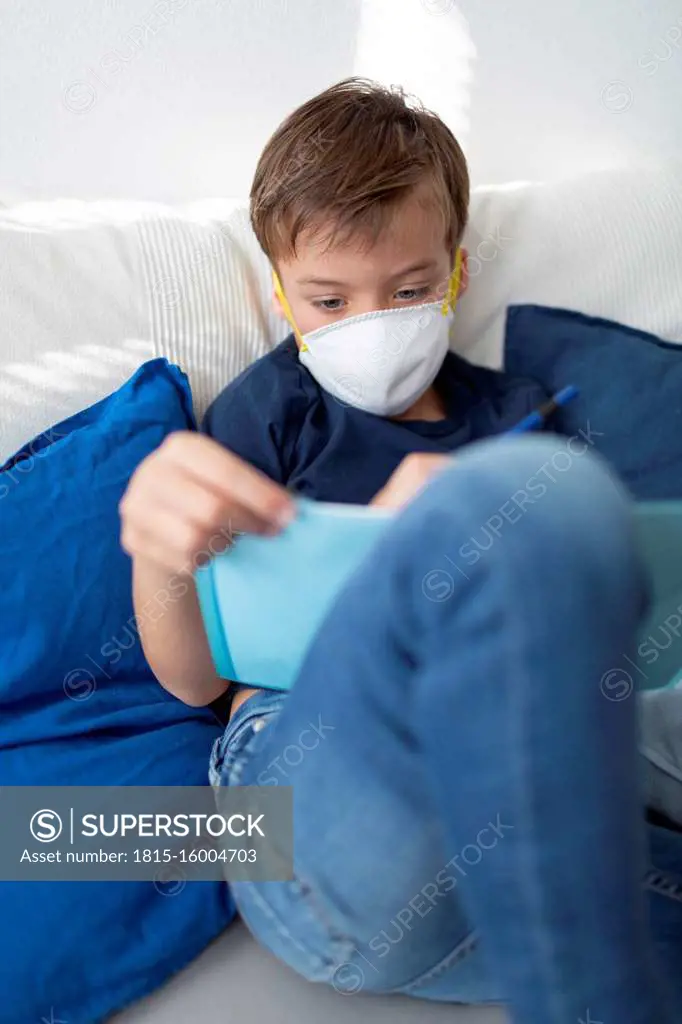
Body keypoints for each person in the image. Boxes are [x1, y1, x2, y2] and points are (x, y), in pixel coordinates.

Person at [119, 78, 682, 1024]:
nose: (370, 326)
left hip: (535, 815)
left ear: (457, 274)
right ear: (282, 297)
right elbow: (191, 682)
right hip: (314, 785)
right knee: (507, 509)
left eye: (409, 290)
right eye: (330, 300)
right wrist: (160, 553)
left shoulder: (518, 414)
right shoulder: (271, 415)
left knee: (556, 515)